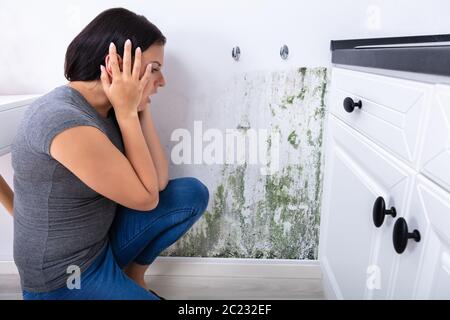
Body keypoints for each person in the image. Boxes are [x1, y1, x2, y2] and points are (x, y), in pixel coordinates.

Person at [6, 7, 209, 300]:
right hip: (66, 276)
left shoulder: (106, 108)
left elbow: (159, 182)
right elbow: (146, 198)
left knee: (190, 193)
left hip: (98, 245)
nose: (162, 81)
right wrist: (127, 111)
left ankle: (132, 276)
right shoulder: (63, 120)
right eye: (154, 69)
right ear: (115, 64)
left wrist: (139, 107)